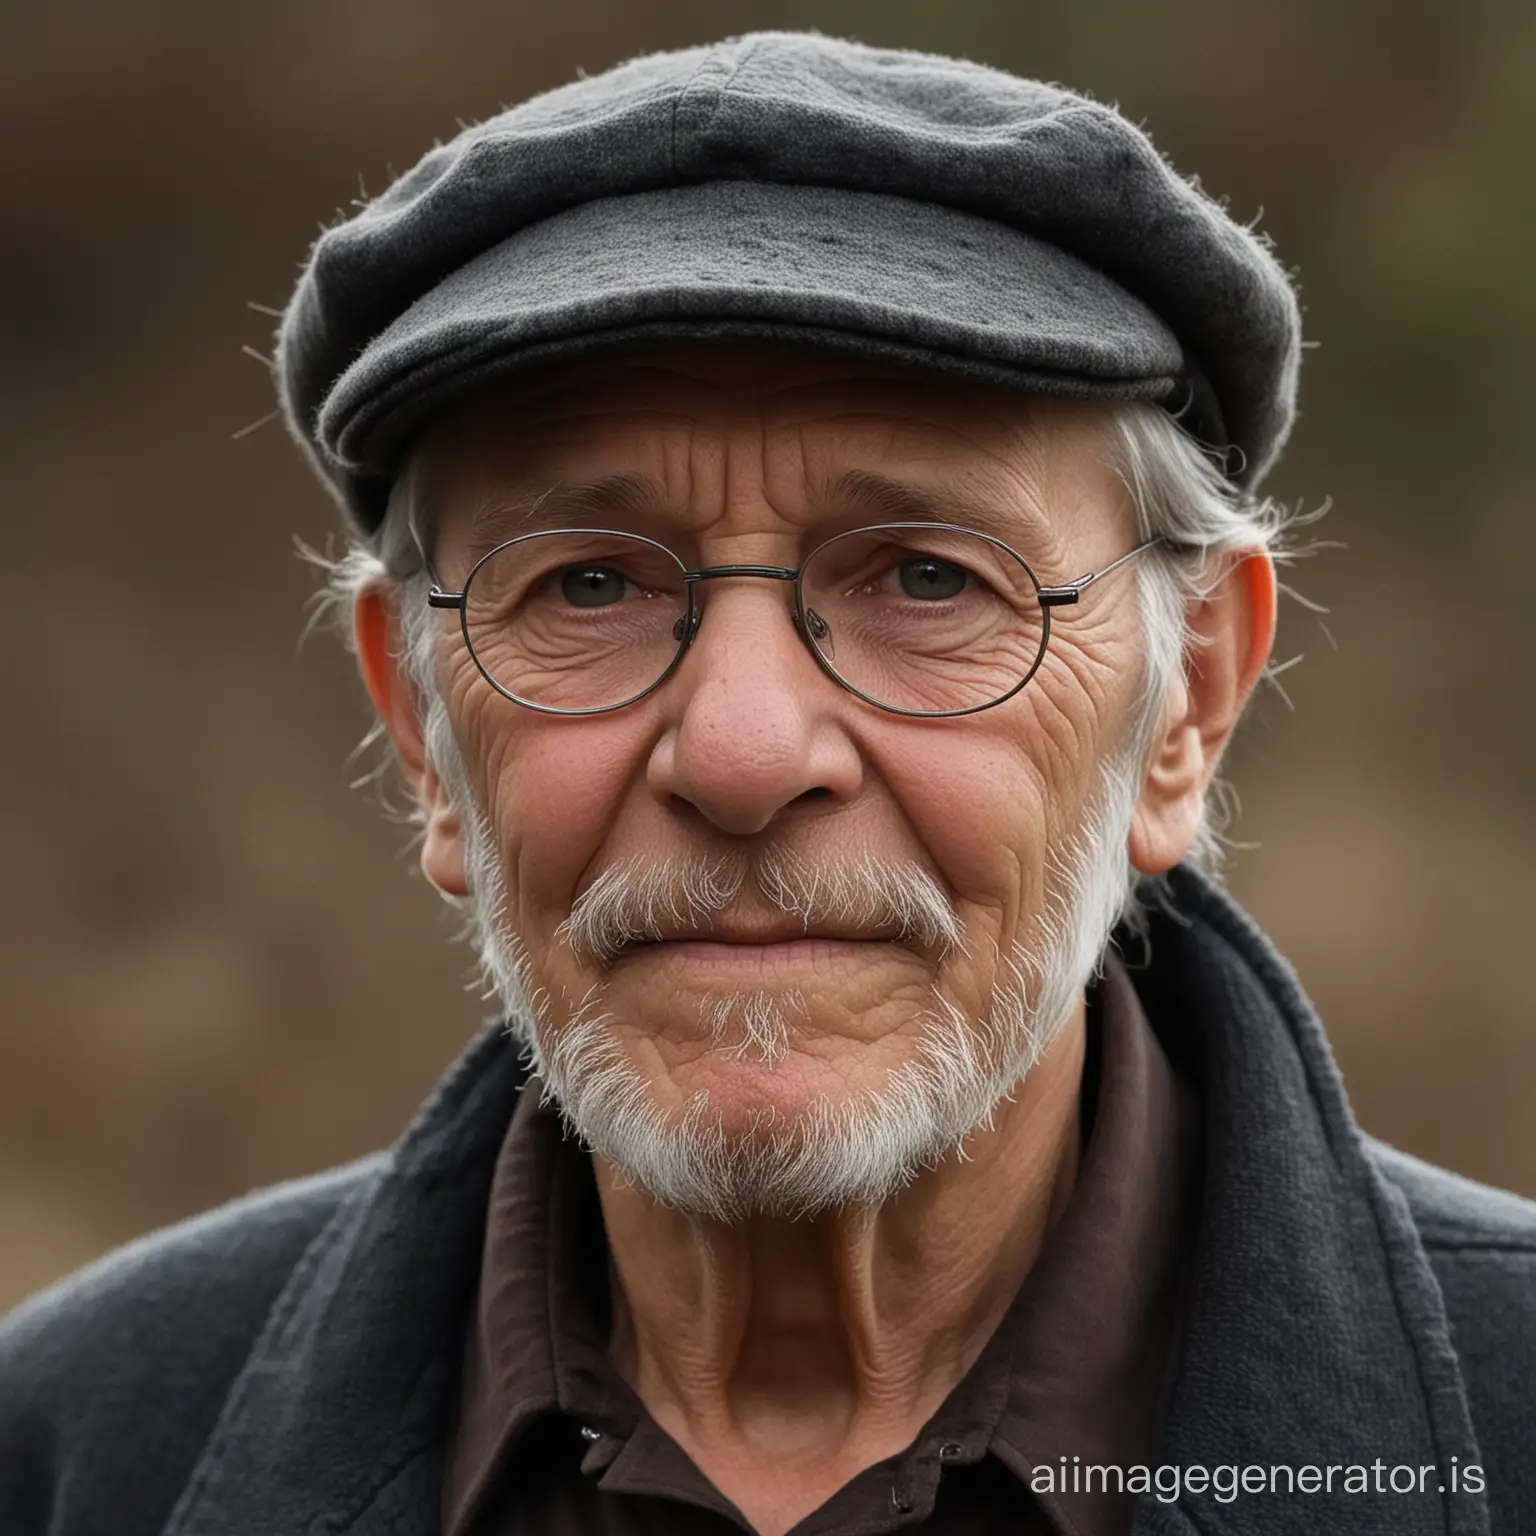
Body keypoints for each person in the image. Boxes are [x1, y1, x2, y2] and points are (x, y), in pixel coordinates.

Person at [3, 31, 1531, 1536]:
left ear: (1189, 695)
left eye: (930, 578)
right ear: (422, 726)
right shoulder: (74, 1453)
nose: (739, 753)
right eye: (589, 585)